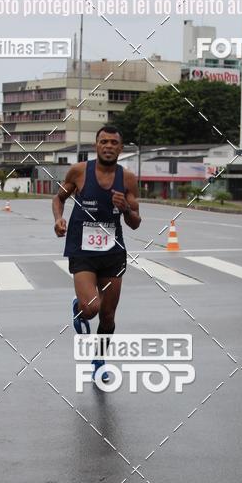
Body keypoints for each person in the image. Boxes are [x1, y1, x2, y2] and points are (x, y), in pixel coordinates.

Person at [52, 124, 141, 380]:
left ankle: (99, 360)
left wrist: (125, 208)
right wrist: (59, 219)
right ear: (96, 145)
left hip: (113, 252)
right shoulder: (79, 171)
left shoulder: (127, 179)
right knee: (91, 308)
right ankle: (79, 307)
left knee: (108, 317)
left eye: (114, 142)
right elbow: (59, 198)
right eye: (104, 142)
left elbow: (135, 222)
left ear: (121, 148)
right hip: (82, 249)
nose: (109, 146)